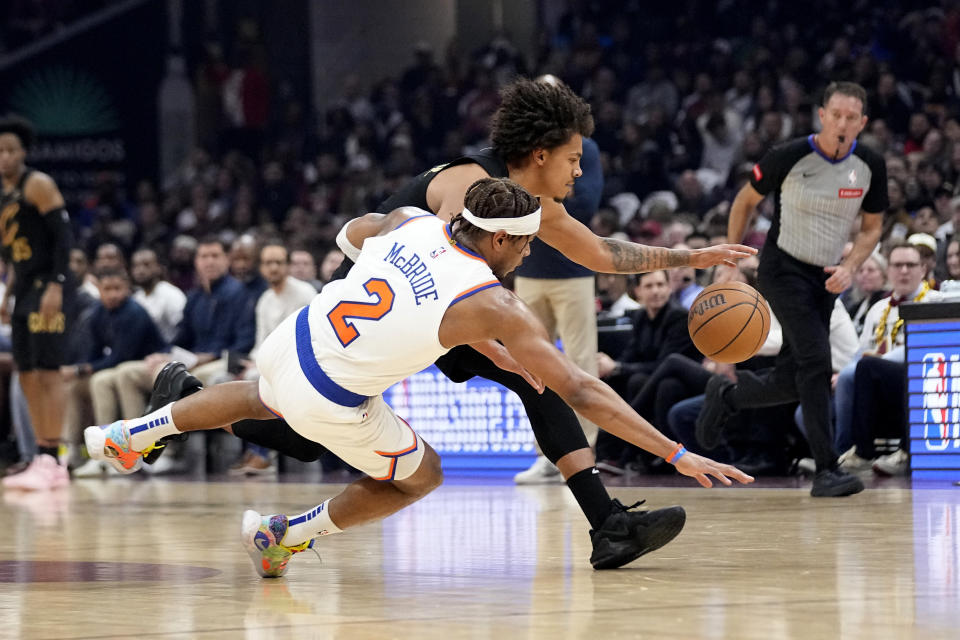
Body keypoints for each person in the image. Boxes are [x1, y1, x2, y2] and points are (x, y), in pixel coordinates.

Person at [144, 78, 755, 568]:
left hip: (433, 307)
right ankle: (609, 524)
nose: (578, 172)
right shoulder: (471, 184)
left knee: (310, 435)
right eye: (573, 159)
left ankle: (192, 405)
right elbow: (436, 277)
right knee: (528, 379)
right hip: (383, 297)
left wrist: (691, 257)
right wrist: (498, 346)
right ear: (539, 154)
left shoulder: (532, 202)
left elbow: (599, 253)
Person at [697, 81, 889, 497]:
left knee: (794, 376)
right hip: (783, 269)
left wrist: (851, 266)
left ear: (863, 122)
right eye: (835, 114)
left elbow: (873, 227)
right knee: (817, 362)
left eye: (851, 117)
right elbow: (744, 201)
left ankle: (728, 396)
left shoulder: (870, 164)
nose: (841, 123)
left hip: (826, 275)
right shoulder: (788, 155)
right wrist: (730, 259)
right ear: (821, 115)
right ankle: (826, 469)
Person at [513, 73, 604, 484]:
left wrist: (534, 195)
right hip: (527, 270)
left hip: (574, 272)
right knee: (530, 365)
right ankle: (545, 454)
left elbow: (586, 199)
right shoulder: (520, 153)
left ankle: (585, 452)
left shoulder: (586, 150)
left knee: (580, 363)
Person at [0, 115, 76, 490]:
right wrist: (9, 292)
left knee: (48, 372)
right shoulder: (2, 193)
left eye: (11, 150)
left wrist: (58, 286)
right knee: (26, 372)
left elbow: (63, 239)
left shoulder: (38, 185)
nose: (4, 157)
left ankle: (55, 457)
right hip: (25, 287)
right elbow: (16, 254)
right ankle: (38, 455)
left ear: (23, 152)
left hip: (49, 285)